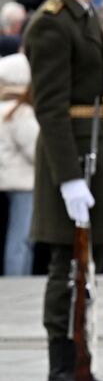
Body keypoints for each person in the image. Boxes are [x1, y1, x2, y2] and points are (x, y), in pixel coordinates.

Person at [24, 0, 103, 381]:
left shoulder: (83, 16)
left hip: (93, 151)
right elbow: (49, 107)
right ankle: (60, 371)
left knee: (85, 265)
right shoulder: (51, 23)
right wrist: (67, 178)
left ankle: (82, 360)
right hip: (69, 158)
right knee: (66, 267)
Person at [0, 53, 38, 276]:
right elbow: (36, 149)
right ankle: (17, 280)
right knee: (21, 239)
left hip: (6, 179)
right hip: (23, 183)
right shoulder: (20, 113)